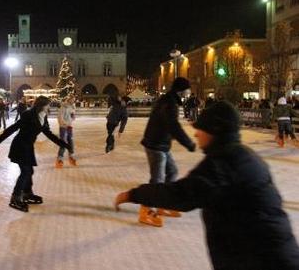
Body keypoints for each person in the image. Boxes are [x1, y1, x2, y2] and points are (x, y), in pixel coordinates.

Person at [115, 101, 299, 270]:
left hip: (261, 260)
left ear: (215, 131)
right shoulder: (243, 155)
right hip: (271, 255)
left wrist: (133, 195)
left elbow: (180, 195)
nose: (196, 133)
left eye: (201, 129)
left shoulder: (221, 165)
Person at [0, 96, 71, 212]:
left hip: (28, 147)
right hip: (19, 146)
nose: (49, 106)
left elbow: (49, 134)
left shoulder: (43, 118)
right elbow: (15, 127)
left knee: (29, 171)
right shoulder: (28, 115)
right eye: (48, 104)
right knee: (26, 171)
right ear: (42, 105)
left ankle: (27, 193)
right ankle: (16, 197)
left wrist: (62, 143)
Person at [139, 77, 196, 226]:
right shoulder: (169, 103)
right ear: (181, 91)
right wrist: (188, 143)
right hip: (155, 144)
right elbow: (174, 126)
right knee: (157, 180)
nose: (188, 93)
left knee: (172, 172)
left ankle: (162, 205)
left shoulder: (169, 100)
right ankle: (146, 210)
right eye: (187, 90)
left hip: (161, 144)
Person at [55, 96, 77, 168]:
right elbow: (60, 117)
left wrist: (73, 117)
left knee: (70, 141)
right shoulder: (63, 107)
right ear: (68, 100)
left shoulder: (73, 107)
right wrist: (64, 124)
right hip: (63, 127)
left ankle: (71, 156)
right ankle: (60, 159)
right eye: (72, 100)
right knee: (63, 142)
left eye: (74, 100)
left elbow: (72, 117)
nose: (73, 101)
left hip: (69, 126)